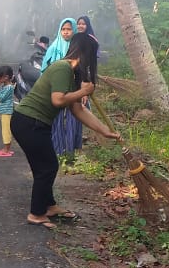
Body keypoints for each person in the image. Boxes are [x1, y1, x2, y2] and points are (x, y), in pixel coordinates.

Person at [10, 32, 121, 229]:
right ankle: (36, 213)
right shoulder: (62, 68)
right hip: (29, 121)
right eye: (93, 56)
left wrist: (104, 131)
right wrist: (83, 92)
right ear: (86, 52)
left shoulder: (72, 74)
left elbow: (78, 109)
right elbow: (58, 100)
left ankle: (49, 206)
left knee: (43, 167)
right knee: (48, 167)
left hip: (34, 123)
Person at [42, 18, 83, 158]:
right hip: (56, 90)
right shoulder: (53, 48)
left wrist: (83, 92)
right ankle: (57, 151)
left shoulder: (78, 48)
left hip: (74, 89)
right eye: (63, 29)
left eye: (69, 29)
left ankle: (72, 151)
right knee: (56, 120)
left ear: (74, 31)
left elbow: (83, 71)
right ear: (60, 31)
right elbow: (44, 70)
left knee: (74, 118)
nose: (66, 32)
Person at [0, 66, 15, 157]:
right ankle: (7, 149)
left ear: (6, 77)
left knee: (6, 131)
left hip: (7, 112)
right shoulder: (6, 86)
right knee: (6, 130)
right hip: (4, 111)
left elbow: (1, 98)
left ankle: (6, 150)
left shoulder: (8, 87)